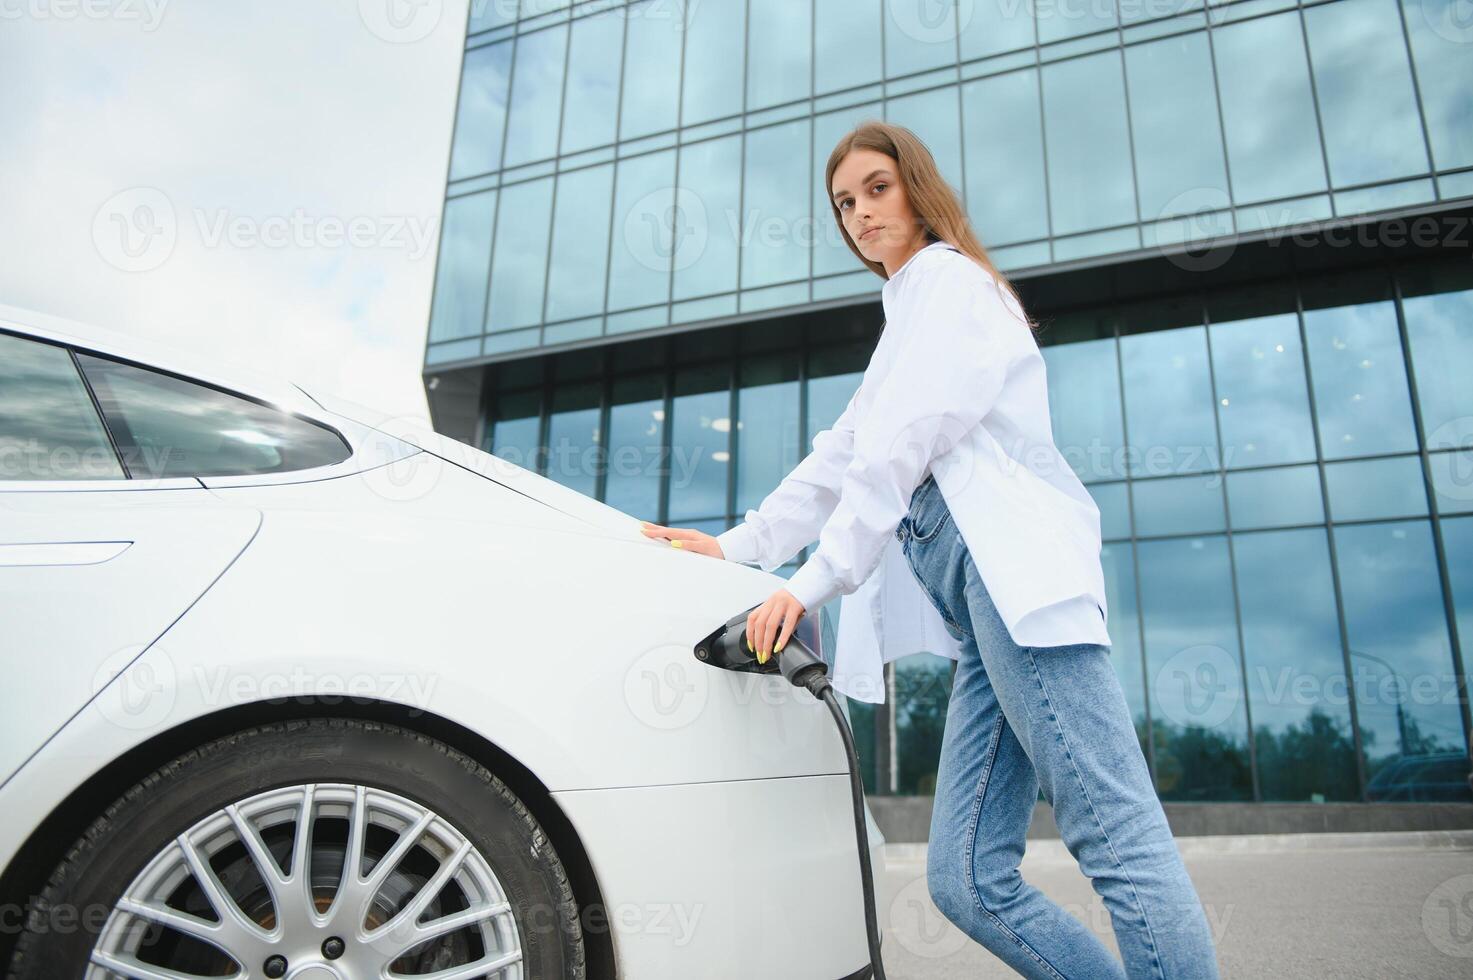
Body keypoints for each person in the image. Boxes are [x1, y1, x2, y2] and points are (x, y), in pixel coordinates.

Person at [640, 120, 1219, 979]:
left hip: (1009, 579)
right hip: (976, 608)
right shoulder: (906, 314)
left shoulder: (948, 282)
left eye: (877, 188)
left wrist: (811, 582)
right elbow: (841, 451)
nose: (861, 214)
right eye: (844, 203)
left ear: (918, 188)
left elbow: (893, 449)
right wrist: (735, 546)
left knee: (1110, 826)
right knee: (965, 880)